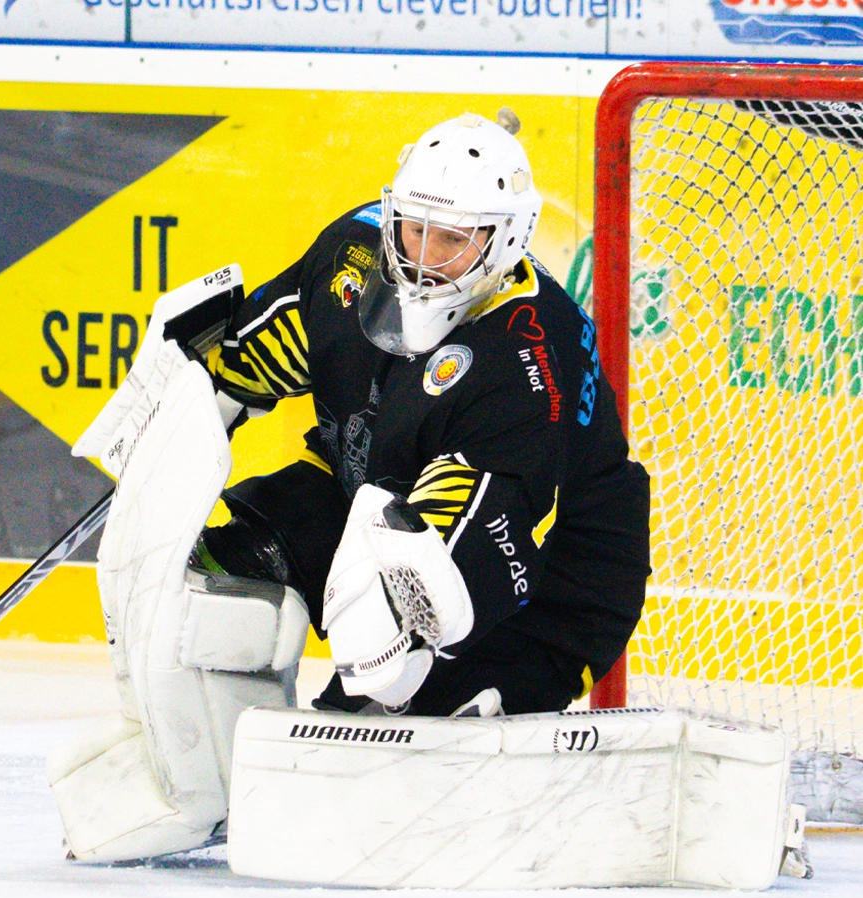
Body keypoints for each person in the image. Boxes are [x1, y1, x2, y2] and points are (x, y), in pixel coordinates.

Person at [189, 107, 651, 718]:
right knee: (212, 589)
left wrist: (381, 654)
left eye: (453, 239)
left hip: (546, 587)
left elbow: (440, 589)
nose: (423, 258)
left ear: (504, 238)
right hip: (367, 492)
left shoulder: (527, 359)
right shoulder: (351, 259)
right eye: (412, 229)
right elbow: (245, 359)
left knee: (374, 714)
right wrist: (188, 420)